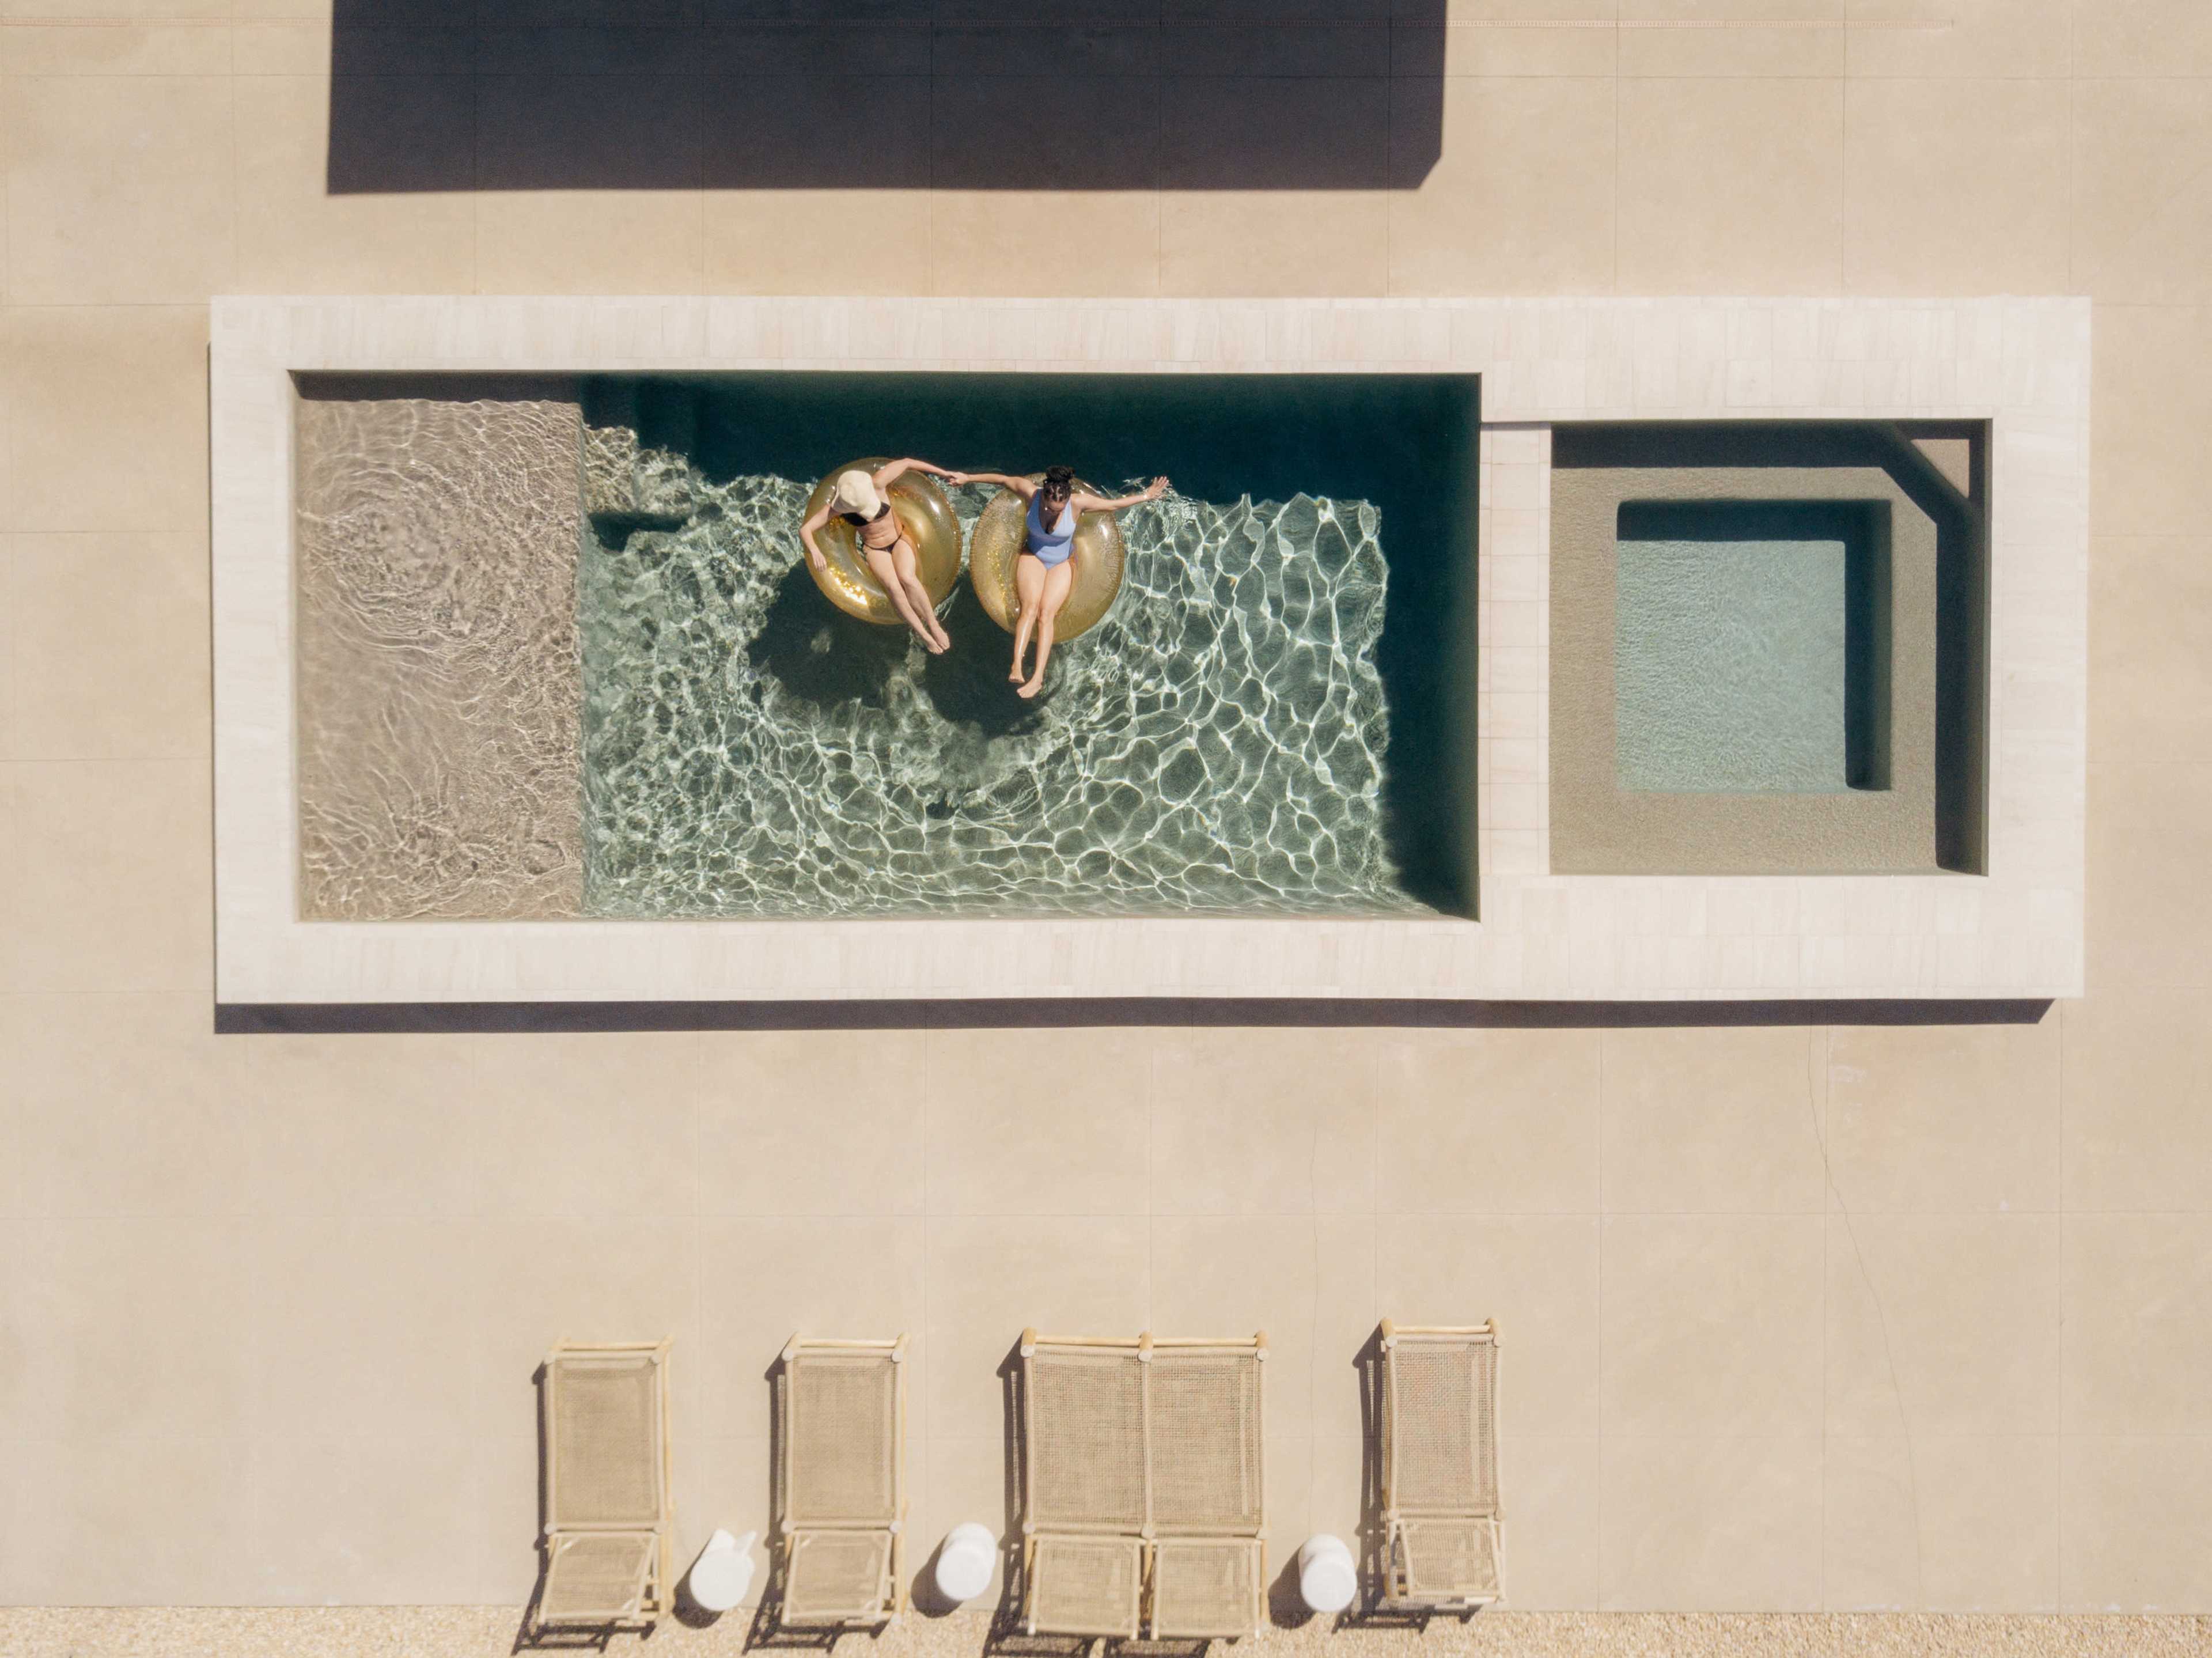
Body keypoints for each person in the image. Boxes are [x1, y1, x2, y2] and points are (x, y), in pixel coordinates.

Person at [952, 465, 1169, 697]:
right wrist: (968, 478)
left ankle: (1038, 678)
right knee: (1029, 609)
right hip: (1033, 555)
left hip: (1062, 562)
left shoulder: (1077, 503)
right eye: (1048, 507)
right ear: (1044, 494)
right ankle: (1016, 664)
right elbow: (1003, 480)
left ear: (1066, 501)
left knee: (1046, 615)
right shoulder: (1032, 494)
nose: (1052, 513)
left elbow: (1113, 505)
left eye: (1058, 510)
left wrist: (1147, 495)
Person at [800, 459, 959, 653]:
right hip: (874, 549)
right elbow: (806, 529)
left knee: (907, 578)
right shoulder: (839, 507)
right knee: (893, 587)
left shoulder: (879, 483)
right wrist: (815, 550)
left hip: (899, 539)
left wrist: (943, 473)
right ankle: (923, 634)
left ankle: (933, 624)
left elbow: (908, 462)